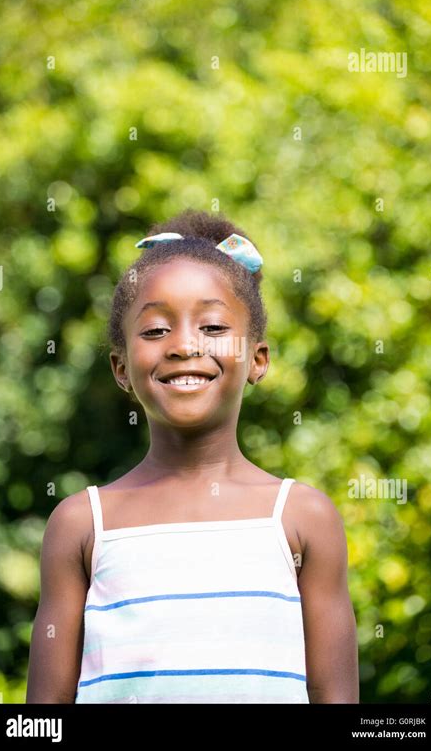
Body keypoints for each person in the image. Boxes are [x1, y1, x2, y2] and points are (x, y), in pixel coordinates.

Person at [26, 208, 359, 704]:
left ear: (257, 359)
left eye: (213, 327)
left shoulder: (303, 518)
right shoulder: (81, 524)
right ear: (121, 367)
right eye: (156, 330)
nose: (184, 346)